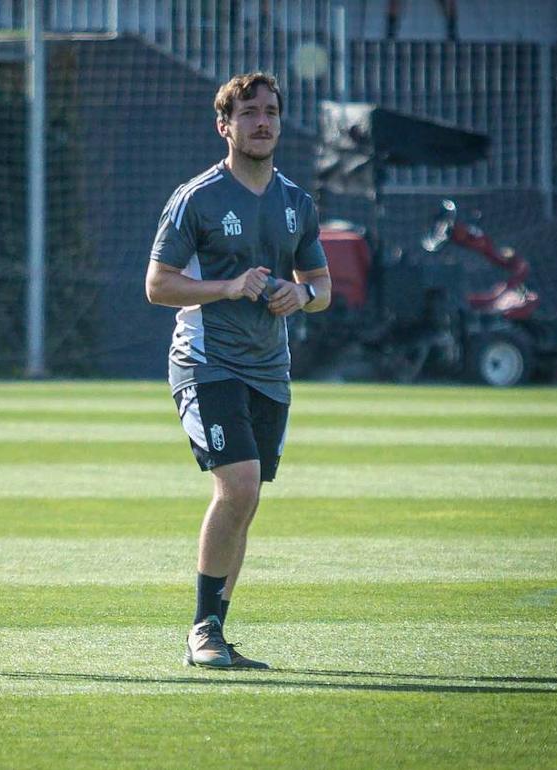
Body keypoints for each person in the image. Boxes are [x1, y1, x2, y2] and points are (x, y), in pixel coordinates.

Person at [145, 72, 331, 670]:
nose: (262, 122)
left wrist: (300, 297)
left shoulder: (296, 201)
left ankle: (217, 630)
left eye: (271, 112)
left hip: (269, 371)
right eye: (249, 112)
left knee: (245, 502)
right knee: (240, 485)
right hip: (206, 362)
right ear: (224, 125)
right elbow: (157, 285)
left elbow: (322, 286)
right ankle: (201, 629)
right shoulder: (197, 196)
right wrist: (228, 287)